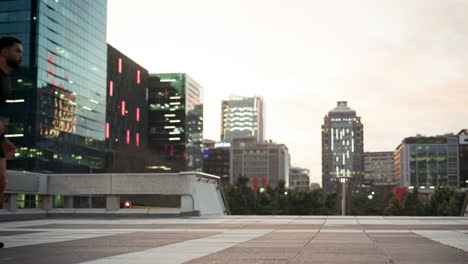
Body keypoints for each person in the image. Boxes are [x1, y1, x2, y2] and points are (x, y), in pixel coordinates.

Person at [0, 37, 23, 249]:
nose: (21, 55)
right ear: (4, 53)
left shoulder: (7, 79)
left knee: (1, 181)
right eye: (17, 51)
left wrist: (4, 139)